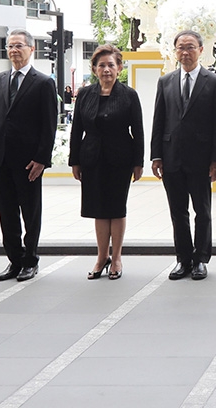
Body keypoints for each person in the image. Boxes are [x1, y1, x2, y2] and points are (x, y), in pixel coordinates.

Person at [0, 29, 58, 282]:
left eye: (19, 46)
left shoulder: (44, 82)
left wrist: (41, 160)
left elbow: (49, 126)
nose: (14, 50)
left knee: (30, 212)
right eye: (10, 46)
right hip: (1, 160)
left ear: (31, 49)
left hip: (28, 162)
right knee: (6, 213)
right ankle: (14, 260)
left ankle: (30, 260)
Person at [151, 30, 216, 281]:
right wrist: (156, 156)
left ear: (201, 50)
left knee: (202, 211)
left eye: (191, 47)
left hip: (201, 159)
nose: (185, 52)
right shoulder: (166, 81)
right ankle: (183, 259)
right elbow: (159, 120)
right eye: (181, 48)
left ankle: (201, 259)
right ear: (175, 51)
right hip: (172, 158)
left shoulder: (214, 82)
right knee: (178, 212)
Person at [69, 45, 144, 281]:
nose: (106, 69)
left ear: (119, 68)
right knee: (98, 209)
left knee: (116, 208)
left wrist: (138, 162)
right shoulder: (85, 94)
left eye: (111, 64)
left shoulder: (129, 95)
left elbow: (139, 131)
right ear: (94, 69)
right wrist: (75, 161)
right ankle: (102, 257)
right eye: (101, 65)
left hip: (120, 157)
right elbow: (76, 130)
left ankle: (117, 257)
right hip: (91, 158)